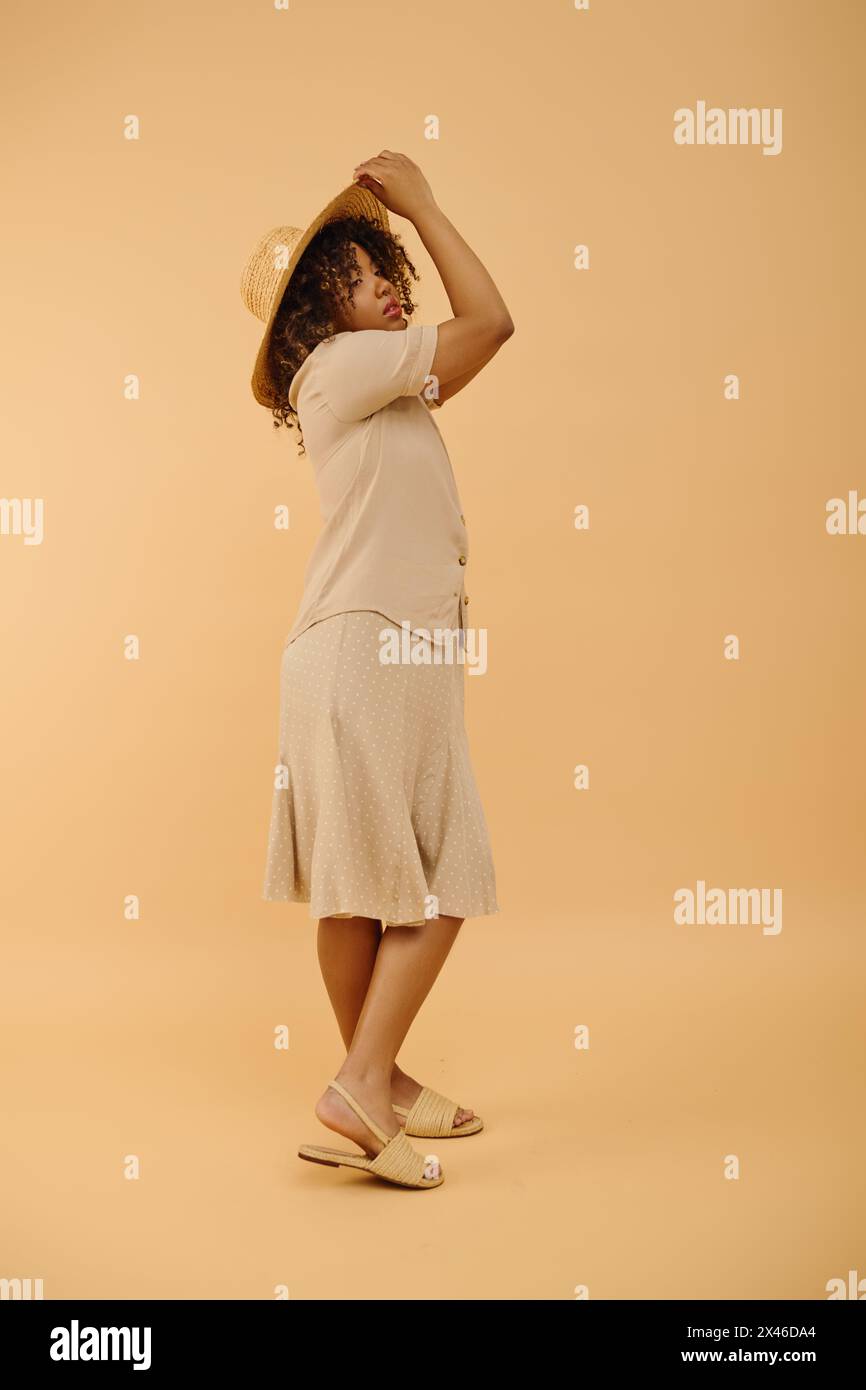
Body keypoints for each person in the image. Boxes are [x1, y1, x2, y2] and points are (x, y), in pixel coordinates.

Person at [240, 151, 514, 1190]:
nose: (388, 285)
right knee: (445, 872)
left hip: (359, 648)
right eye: (360, 275)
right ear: (319, 305)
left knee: (354, 895)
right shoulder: (340, 367)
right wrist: (427, 205)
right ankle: (358, 1083)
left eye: (381, 263)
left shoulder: (381, 382)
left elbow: (465, 342)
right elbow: (489, 320)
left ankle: (378, 1081)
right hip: (371, 643)